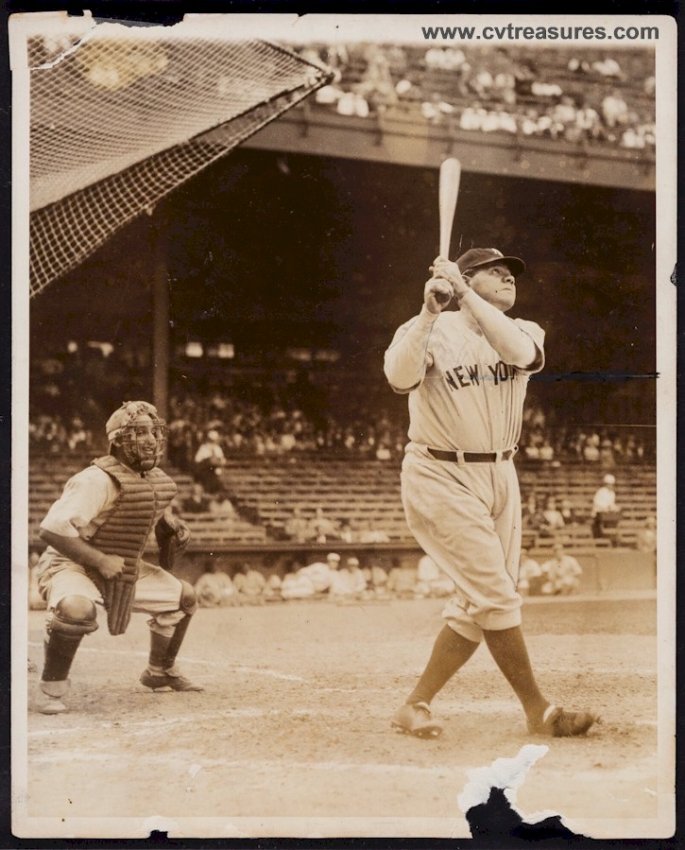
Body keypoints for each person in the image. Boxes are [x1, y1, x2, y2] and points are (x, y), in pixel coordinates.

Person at [383, 246, 596, 739]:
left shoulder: (524, 330)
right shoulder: (431, 328)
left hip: (501, 474)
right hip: (439, 472)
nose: (507, 278)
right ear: (467, 280)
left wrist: (464, 291)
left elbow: (520, 355)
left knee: (476, 606)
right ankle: (539, 711)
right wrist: (428, 311)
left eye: (511, 274)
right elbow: (399, 377)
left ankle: (414, 705)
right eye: (493, 273)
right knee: (495, 595)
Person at [33, 401, 203, 715]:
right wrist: (98, 560)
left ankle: (159, 671)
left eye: (154, 431)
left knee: (184, 598)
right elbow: (51, 531)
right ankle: (51, 688)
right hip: (69, 563)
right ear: (118, 441)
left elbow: (151, 532)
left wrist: (171, 530)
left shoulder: (154, 482)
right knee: (76, 609)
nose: (150, 439)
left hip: (119, 565)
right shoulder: (94, 480)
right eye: (139, 432)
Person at [591, 473, 621, 543]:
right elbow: (597, 503)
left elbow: (611, 504)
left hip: (607, 513)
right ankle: (600, 537)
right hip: (598, 512)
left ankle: (612, 537)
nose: (611, 486)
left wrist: (615, 507)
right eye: (609, 484)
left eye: (612, 485)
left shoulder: (612, 493)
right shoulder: (600, 492)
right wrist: (605, 508)